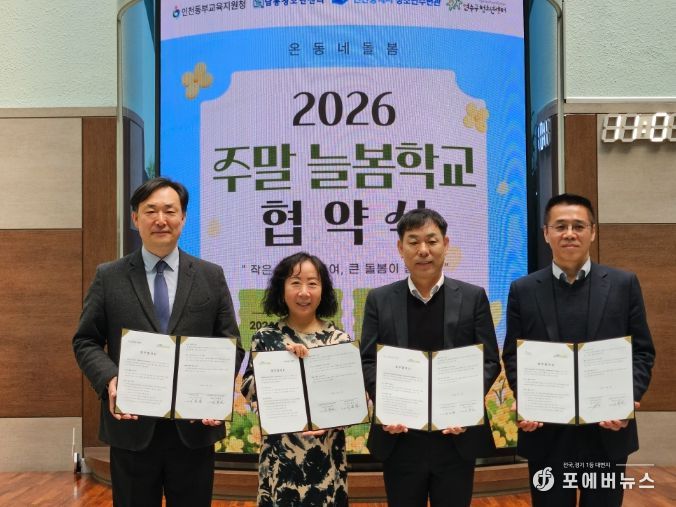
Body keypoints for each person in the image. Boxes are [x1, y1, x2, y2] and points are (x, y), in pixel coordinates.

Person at [73, 177, 244, 507]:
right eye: (150, 211)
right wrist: (110, 378)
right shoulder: (109, 276)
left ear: (183, 218)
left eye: (170, 211)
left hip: (193, 429)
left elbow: (230, 343)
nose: (161, 219)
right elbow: (85, 340)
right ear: (135, 218)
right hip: (132, 427)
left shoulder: (210, 275)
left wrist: (214, 390)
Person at [502, 193, 656, 507]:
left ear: (593, 232)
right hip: (547, 432)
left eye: (578, 226)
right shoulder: (523, 289)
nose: (569, 233)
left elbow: (642, 351)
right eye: (560, 226)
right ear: (546, 233)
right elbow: (514, 355)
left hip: (607, 430)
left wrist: (626, 398)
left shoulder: (623, 284)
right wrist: (527, 399)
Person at [360, 208, 501, 507]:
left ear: (445, 244)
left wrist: (465, 405)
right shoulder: (379, 299)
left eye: (432, 241)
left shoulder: (473, 297)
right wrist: (387, 405)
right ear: (400, 248)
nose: (423, 250)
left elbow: (489, 360)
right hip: (400, 437)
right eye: (413, 242)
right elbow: (368, 361)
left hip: (455, 437)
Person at [241, 252, 351, 507]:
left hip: (326, 458)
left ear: (323, 291)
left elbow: (350, 402)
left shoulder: (339, 341)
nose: (304, 292)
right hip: (280, 461)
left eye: (312, 283)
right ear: (282, 290)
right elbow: (248, 389)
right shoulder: (265, 337)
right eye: (295, 283)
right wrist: (282, 363)